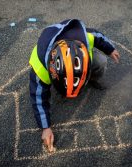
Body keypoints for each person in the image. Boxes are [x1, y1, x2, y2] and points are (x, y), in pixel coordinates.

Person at [29, 19, 120, 152]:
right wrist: (45, 127)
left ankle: (90, 79)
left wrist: (110, 49)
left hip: (78, 51)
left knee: (100, 61)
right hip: (51, 61)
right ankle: (62, 87)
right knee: (43, 89)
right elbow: (38, 97)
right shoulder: (40, 66)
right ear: (51, 68)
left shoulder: (85, 37)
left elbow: (98, 36)